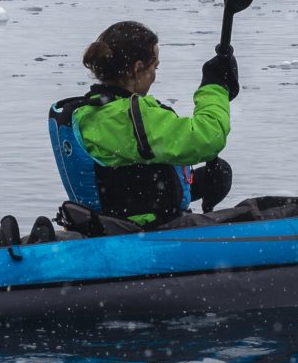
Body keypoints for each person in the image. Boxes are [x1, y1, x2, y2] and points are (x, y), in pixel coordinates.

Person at [45, 21, 237, 234]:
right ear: (137, 69)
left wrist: (195, 185)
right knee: (265, 210)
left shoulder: (87, 113)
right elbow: (207, 138)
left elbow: (128, 177)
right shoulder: (128, 117)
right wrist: (215, 87)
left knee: (221, 176)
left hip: (112, 226)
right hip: (148, 233)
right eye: (155, 67)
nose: (155, 75)